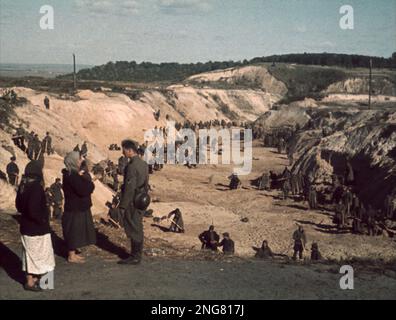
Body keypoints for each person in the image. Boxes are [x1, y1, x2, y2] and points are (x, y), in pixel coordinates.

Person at [16, 161, 55, 292]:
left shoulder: (23, 186)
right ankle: (45, 283)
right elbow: (34, 210)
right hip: (37, 229)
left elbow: (19, 207)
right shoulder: (36, 188)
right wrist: (42, 220)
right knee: (44, 256)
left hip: (25, 228)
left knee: (29, 256)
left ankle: (30, 281)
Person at [118, 140, 149, 265]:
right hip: (142, 199)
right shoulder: (143, 164)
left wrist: (123, 205)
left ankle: (135, 257)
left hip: (133, 201)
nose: (122, 152)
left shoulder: (131, 166)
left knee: (133, 226)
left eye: (124, 149)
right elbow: (146, 183)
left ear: (130, 150)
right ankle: (137, 255)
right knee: (138, 225)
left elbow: (129, 188)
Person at [62, 151, 96, 263]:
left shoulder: (72, 174)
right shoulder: (72, 175)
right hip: (75, 208)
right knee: (73, 231)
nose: (82, 160)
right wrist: (90, 182)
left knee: (76, 230)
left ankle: (73, 253)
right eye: (79, 159)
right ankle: (71, 256)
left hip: (76, 207)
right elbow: (84, 190)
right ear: (74, 161)